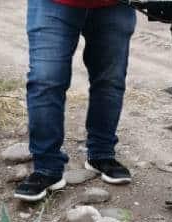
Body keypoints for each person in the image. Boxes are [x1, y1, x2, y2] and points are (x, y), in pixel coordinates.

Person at [15, 0, 137, 202]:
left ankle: (101, 153)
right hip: (53, 3)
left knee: (110, 80)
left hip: (115, 4)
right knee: (45, 79)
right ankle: (46, 167)